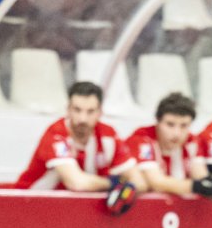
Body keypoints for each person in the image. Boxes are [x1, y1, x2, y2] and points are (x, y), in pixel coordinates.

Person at [12, 81, 145, 211]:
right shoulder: (56, 134)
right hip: (26, 208)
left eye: (90, 111)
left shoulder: (108, 135)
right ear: (68, 110)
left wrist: (126, 189)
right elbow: (77, 183)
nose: (83, 119)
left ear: (100, 112)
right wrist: (113, 183)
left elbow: (139, 182)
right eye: (77, 110)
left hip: (69, 212)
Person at [125, 92, 212, 202]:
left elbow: (200, 176)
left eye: (184, 126)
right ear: (157, 121)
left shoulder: (191, 141)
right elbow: (156, 182)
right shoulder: (141, 139)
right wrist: (198, 187)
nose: (177, 133)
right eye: (170, 124)